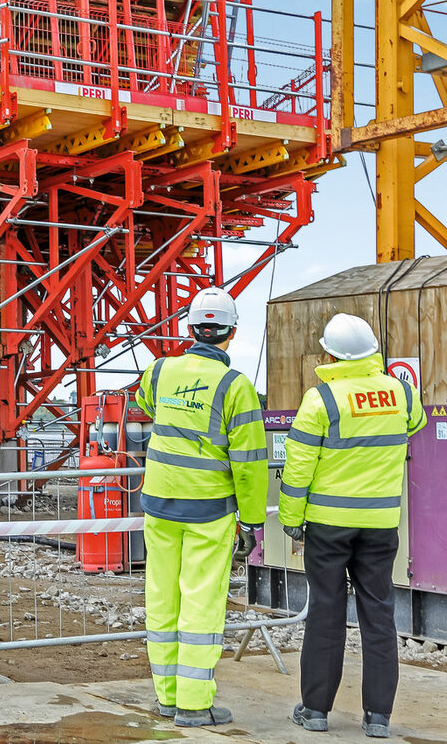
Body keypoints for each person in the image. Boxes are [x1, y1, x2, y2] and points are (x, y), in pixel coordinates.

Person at [280, 313, 428, 739]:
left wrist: (291, 520)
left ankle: (316, 711)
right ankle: (378, 717)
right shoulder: (401, 392)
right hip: (381, 525)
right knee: (379, 614)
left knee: (325, 613)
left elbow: (298, 469)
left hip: (328, 527)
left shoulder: (321, 400)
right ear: (372, 351)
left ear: (329, 354)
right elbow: (414, 424)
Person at [133, 286, 267, 728]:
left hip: (158, 503)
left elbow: (145, 403)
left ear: (191, 328)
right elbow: (248, 462)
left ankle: (167, 697)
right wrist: (250, 518)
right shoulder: (235, 386)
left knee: (162, 598)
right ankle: (193, 704)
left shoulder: (159, 371)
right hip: (208, 509)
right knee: (201, 604)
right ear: (230, 334)